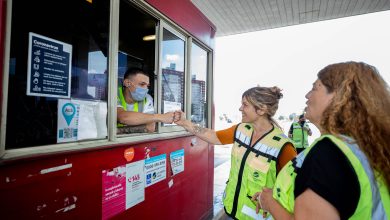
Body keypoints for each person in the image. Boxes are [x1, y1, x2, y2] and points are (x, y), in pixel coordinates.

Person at [254, 62, 390, 219]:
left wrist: (270, 203)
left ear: (339, 95)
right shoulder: (364, 148)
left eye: (315, 87)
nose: (307, 95)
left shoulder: (329, 153)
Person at [174, 86, 297, 219]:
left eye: (245, 105)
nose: (240, 109)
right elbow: (213, 136)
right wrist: (185, 123)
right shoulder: (240, 129)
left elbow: (295, 189)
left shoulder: (283, 147)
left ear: (261, 109)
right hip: (232, 210)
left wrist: (274, 196)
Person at [117, 67, 175, 133]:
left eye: (147, 86)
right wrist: (160, 117)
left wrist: (117, 131)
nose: (146, 89)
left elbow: (150, 127)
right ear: (127, 83)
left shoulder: (147, 98)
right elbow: (123, 117)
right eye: (142, 84)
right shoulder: (114, 94)